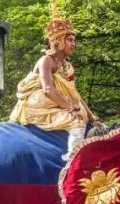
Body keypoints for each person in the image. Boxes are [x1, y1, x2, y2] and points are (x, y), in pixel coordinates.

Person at [8, 9, 95, 150]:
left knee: (80, 110)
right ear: (59, 41)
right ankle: (73, 158)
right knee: (76, 120)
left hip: (54, 100)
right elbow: (48, 89)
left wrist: (93, 118)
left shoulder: (67, 66)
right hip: (38, 100)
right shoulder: (46, 60)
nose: (74, 44)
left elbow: (75, 95)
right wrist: (72, 109)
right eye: (69, 40)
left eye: (74, 40)